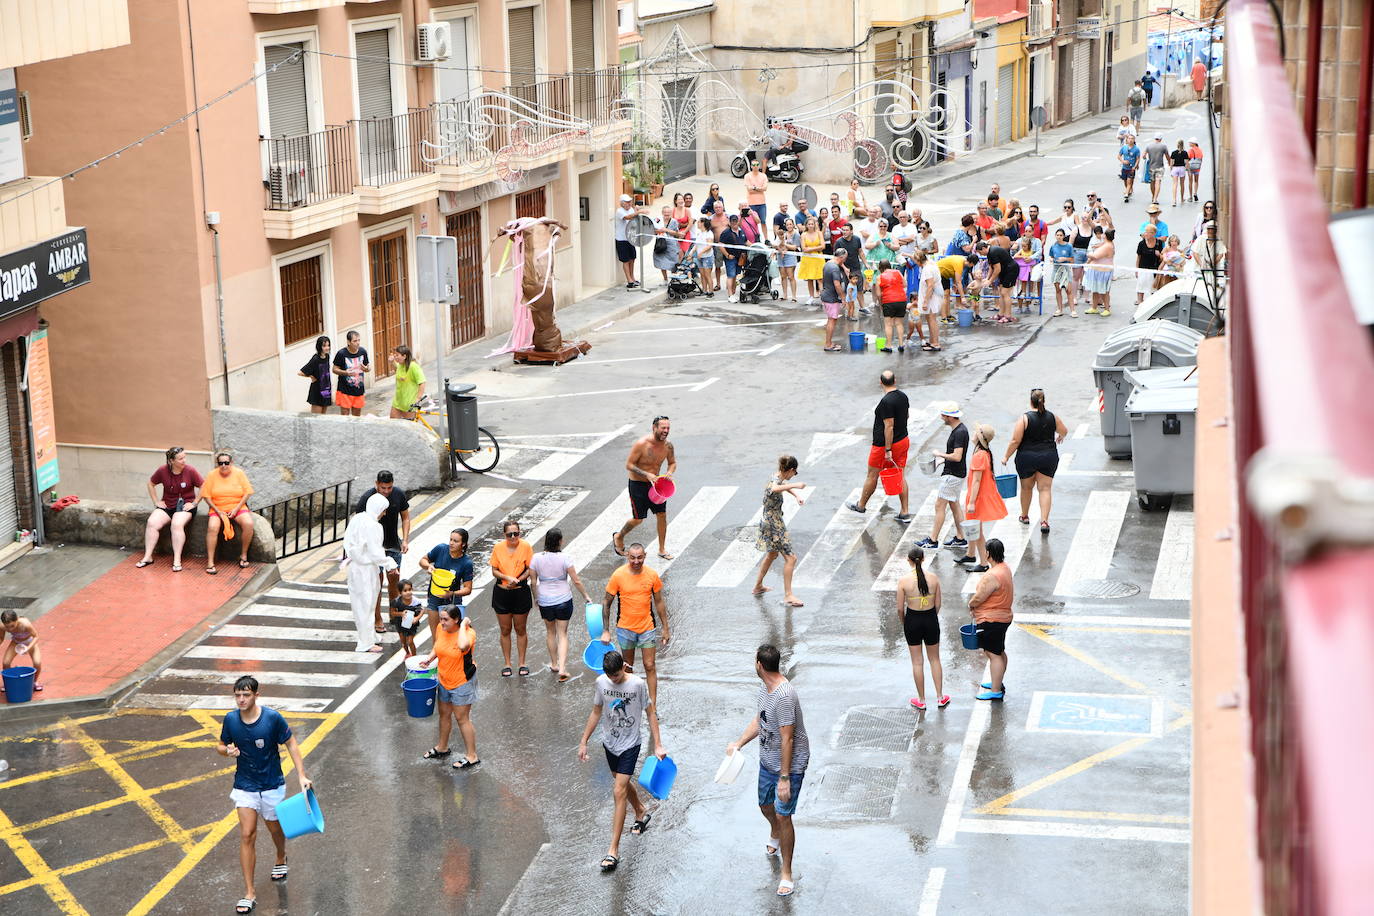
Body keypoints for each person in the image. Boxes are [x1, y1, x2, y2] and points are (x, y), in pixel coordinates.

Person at [217, 675, 312, 916]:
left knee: (274, 830)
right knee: (247, 834)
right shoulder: (230, 720)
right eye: (237, 695)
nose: (241, 699)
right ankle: (249, 892)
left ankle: (281, 856)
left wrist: (301, 775)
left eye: (246, 695)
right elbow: (220, 745)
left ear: (256, 695)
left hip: (271, 785)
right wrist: (226, 751)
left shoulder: (272, 719)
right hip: (245, 786)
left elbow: (291, 743)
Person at [725, 644, 809, 898]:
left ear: (759, 665)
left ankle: (786, 873)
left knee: (784, 815)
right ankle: (775, 831)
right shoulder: (765, 688)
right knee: (765, 806)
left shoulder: (785, 696)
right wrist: (739, 742)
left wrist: (785, 778)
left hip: (789, 765)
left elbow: (788, 739)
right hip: (768, 759)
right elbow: (759, 719)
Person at [577, 649, 666, 873]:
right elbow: (596, 712)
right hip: (610, 743)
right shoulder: (601, 682)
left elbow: (650, 713)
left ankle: (613, 850)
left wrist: (657, 744)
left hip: (630, 743)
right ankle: (640, 810)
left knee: (618, 790)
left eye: (616, 675)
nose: (613, 680)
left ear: (624, 667)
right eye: (610, 677)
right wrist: (584, 740)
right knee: (621, 782)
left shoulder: (636, 685)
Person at [599, 543, 669, 706]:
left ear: (644, 556)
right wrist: (605, 631)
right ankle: (628, 704)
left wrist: (666, 628)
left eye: (639, 557)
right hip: (625, 629)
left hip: (647, 628)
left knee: (649, 665)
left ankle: (652, 705)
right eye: (632, 558)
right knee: (627, 668)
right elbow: (606, 602)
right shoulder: (618, 575)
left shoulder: (652, 575)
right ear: (627, 556)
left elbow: (659, 602)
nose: (636, 561)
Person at [846, 370, 912, 522]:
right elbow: (906, 416)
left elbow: (888, 426)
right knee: (900, 474)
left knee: (872, 475)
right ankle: (905, 511)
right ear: (895, 380)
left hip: (884, 445)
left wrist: (888, 449)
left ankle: (861, 505)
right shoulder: (903, 396)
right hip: (903, 440)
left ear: (880, 382)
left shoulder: (886, 402)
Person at [420, 607, 480, 769]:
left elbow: (462, 646)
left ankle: (472, 755)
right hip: (444, 680)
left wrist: (463, 625)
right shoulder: (441, 629)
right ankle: (442, 747)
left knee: (462, 719)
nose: (441, 622)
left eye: (446, 619)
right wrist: (430, 658)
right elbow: (438, 645)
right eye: (441, 618)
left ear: (456, 619)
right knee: (444, 715)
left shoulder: (468, 633)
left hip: (462, 682)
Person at [531, 527, 592, 682]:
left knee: (550, 632)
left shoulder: (536, 558)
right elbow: (576, 580)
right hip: (563, 599)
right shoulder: (565, 558)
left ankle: (554, 663)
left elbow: (533, 582)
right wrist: (586, 596)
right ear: (559, 541)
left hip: (545, 600)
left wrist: (537, 598)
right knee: (563, 634)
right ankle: (563, 667)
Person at [1002, 388, 1067, 532]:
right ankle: (1044, 522)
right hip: (1048, 457)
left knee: (1026, 488)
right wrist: (1061, 436)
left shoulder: (1024, 419)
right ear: (1044, 401)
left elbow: (1015, 441)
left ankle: (1024, 516)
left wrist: (1006, 456)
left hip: (1026, 458)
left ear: (1031, 402)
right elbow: (1064, 431)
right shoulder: (1052, 417)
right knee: (1045, 489)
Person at [614, 416, 677, 559]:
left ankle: (662, 549)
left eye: (668, 428)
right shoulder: (642, 444)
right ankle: (619, 536)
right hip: (638, 486)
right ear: (654, 428)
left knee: (662, 515)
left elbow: (672, 463)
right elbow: (629, 465)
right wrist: (646, 474)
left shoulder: (668, 446)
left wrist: (669, 472)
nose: (666, 431)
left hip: (657, 485)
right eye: (663, 428)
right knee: (638, 519)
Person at [356, 470, 410, 635]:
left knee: (394, 581)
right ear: (376, 484)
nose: (386, 491)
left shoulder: (398, 494)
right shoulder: (367, 499)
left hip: (393, 545)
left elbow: (405, 517)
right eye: (383, 488)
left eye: (389, 488)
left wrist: (405, 540)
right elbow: (360, 526)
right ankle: (377, 617)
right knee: (376, 585)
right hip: (375, 549)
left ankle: (393, 613)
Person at [342, 493, 396, 653]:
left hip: (355, 567)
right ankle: (365, 643)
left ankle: (369, 636)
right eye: (383, 510)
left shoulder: (358, 519)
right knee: (366, 604)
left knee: (363, 604)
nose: (384, 513)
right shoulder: (374, 526)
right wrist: (389, 563)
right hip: (366, 569)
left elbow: (347, 542)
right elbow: (375, 552)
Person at [137, 446, 203, 571]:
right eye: (180, 458)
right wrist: (156, 501)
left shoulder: (190, 471)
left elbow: (204, 486)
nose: (184, 460)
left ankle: (177, 559)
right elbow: (151, 483)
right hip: (168, 504)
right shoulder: (163, 470)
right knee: (152, 522)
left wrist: (194, 503)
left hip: (185, 505)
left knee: (176, 524)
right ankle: (147, 556)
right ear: (171, 461)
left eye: (184, 457)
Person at [753, 455, 807, 606]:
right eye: (794, 473)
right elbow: (775, 488)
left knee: (771, 554)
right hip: (773, 524)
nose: (793, 476)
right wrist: (796, 485)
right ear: (790, 470)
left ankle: (758, 586)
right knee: (791, 558)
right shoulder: (775, 482)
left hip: (769, 521)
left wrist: (796, 495)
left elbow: (781, 485)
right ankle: (788, 595)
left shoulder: (777, 475)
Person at [896, 549, 945, 710]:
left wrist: (905, 622)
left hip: (912, 620)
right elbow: (938, 604)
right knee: (935, 659)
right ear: (923, 559)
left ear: (908, 560)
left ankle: (922, 700)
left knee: (917, 662)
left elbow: (899, 609)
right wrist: (931, 616)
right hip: (930, 619)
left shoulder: (903, 581)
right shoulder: (933, 578)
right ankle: (940, 697)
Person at [917, 403, 970, 552]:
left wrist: (940, 454)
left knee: (939, 506)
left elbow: (957, 456)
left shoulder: (959, 432)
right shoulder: (960, 429)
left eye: (944, 415)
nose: (942, 418)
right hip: (956, 473)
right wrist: (943, 461)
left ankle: (933, 540)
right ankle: (960, 538)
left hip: (952, 475)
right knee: (954, 505)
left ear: (951, 417)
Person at [955, 425, 1006, 573]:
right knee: (973, 528)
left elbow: (977, 480)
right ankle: (971, 554)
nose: (973, 433)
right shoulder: (984, 452)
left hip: (977, 498)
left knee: (976, 531)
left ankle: (984, 562)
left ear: (979, 437)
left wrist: (971, 502)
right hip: (978, 495)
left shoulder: (979, 455)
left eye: (976, 433)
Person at [968, 539, 1014, 700]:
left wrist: (971, 604)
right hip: (1003, 616)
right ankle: (997, 681)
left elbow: (980, 597)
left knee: (993, 653)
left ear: (988, 553)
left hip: (992, 620)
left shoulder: (992, 575)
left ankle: (996, 690)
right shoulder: (1004, 568)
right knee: (999, 651)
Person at [490, 518, 534, 677]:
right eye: (510, 534)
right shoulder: (498, 548)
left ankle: (522, 662)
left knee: (520, 628)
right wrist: (507, 578)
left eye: (516, 533)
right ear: (505, 535)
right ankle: (507, 663)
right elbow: (494, 570)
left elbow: (530, 569)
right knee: (505, 629)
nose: (513, 537)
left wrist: (518, 579)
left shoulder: (526, 546)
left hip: (520, 592)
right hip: (502, 592)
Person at [200, 452, 254, 575]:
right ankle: (210, 562)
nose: (224, 465)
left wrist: (236, 509)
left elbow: (247, 493)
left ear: (231, 463)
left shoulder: (239, 473)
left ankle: (243, 555)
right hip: (217, 508)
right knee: (212, 527)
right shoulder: (212, 475)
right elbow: (206, 496)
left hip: (237, 506)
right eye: (220, 463)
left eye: (226, 463)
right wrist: (218, 511)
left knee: (248, 523)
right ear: (217, 464)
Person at [419, 528, 474, 636]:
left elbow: (468, 589)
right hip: (435, 597)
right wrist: (428, 566)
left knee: (453, 636)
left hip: (453, 601)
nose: (451, 543)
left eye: (456, 541)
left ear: (463, 544)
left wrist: (452, 593)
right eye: (451, 539)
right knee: (436, 636)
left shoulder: (466, 563)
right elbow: (423, 560)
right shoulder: (440, 549)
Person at [1, 609, 42, 692]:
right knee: (6, 663)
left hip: (30, 642)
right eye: (7, 627)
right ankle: (8, 683)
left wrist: (28, 648)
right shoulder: (2, 626)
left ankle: (34, 682)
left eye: (12, 626)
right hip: (16, 642)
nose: (10, 629)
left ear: (17, 619)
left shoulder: (25, 624)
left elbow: (36, 636)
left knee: (37, 663)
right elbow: (1, 638)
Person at [331, 330, 370, 416]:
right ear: (348, 342)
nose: (358, 343)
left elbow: (368, 367)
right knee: (345, 417)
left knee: (357, 417)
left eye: (359, 340)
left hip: (359, 390)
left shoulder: (363, 352)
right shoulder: (341, 354)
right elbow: (334, 369)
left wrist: (366, 368)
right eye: (355, 341)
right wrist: (346, 373)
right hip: (344, 390)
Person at [979, 241, 1019, 323]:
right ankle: (1001, 314)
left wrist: (990, 281)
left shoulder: (993, 252)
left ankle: (1008, 316)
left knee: (1005, 293)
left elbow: (997, 269)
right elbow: (991, 267)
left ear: (983, 248)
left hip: (1011, 270)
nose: (980, 254)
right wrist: (987, 278)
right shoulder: (989, 253)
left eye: (980, 252)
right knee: (1001, 292)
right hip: (1004, 271)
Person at [912, 249, 943, 351]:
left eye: (916, 261)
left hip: (932, 297)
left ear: (919, 261)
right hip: (934, 295)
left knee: (932, 319)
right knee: (930, 319)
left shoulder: (927, 269)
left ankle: (936, 343)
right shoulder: (931, 264)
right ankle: (932, 341)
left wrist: (925, 301)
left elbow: (930, 286)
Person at [874, 259, 906, 353]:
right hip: (901, 299)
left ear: (880, 268)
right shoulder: (898, 272)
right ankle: (901, 344)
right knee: (899, 323)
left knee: (888, 324)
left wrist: (881, 304)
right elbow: (905, 284)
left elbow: (879, 294)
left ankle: (888, 346)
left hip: (888, 301)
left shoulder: (879, 277)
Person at [388, 344, 426, 420]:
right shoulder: (400, 365)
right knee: (393, 425)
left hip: (409, 403)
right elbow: (397, 368)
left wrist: (418, 398)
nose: (395, 357)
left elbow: (422, 382)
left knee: (410, 428)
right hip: (398, 402)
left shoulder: (413, 367)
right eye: (395, 355)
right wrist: (392, 362)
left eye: (397, 355)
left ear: (404, 356)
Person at [820, 245, 846, 351]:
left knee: (831, 320)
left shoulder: (828, 264)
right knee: (832, 320)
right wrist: (843, 297)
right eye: (845, 258)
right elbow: (837, 285)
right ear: (841, 257)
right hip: (831, 297)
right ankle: (828, 344)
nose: (845, 260)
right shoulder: (835, 268)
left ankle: (829, 342)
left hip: (827, 294)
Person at [297, 335, 333, 414]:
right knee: (316, 418)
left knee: (323, 417)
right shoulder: (315, 359)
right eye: (324, 346)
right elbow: (300, 372)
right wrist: (311, 376)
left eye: (328, 345)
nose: (327, 348)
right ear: (319, 346)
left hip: (326, 389)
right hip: (317, 391)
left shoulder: (327, 356)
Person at [389, 578, 423, 658]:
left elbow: (422, 610)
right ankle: (407, 653)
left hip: (412, 624)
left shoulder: (415, 601)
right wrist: (401, 613)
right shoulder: (396, 602)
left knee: (410, 641)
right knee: (403, 642)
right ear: (400, 592)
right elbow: (392, 613)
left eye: (409, 589)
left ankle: (414, 657)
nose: (408, 592)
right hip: (400, 623)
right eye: (405, 591)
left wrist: (417, 618)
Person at [615, 194, 643, 289]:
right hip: (621, 239)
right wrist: (638, 211)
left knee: (632, 258)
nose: (629, 203)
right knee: (626, 260)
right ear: (622, 203)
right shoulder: (619, 211)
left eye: (630, 202)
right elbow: (628, 217)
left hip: (630, 238)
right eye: (627, 202)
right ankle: (629, 280)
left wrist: (636, 211)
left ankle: (633, 278)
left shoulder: (631, 209)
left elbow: (634, 219)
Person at [1048, 229, 1077, 318]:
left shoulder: (1069, 246)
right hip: (1056, 269)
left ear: (1063, 236)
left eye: (1061, 235)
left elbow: (1072, 260)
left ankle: (1073, 310)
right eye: (1057, 235)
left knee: (1069, 290)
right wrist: (1051, 259)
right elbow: (1051, 256)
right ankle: (1059, 309)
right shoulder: (1053, 246)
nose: (1059, 237)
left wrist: (1065, 259)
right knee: (1058, 290)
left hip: (1066, 269)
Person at [719, 213, 747, 302]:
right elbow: (720, 245)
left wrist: (755, 246)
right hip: (730, 258)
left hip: (740, 258)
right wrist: (727, 255)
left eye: (735, 221)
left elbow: (746, 242)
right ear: (730, 222)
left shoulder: (741, 231)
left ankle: (734, 293)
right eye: (732, 221)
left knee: (735, 276)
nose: (734, 223)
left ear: (738, 221)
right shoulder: (726, 233)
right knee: (730, 276)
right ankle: (730, 295)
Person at [653, 205, 683, 284]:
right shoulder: (657, 220)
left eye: (668, 212)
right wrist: (659, 231)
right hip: (661, 243)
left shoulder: (674, 221)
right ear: (662, 213)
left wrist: (666, 230)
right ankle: (665, 279)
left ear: (671, 213)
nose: (667, 214)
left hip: (672, 245)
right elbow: (652, 230)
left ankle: (674, 279)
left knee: (673, 262)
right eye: (665, 212)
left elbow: (677, 233)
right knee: (661, 261)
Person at [799, 216, 826, 303]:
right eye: (809, 224)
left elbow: (823, 246)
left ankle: (823, 297)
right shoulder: (803, 235)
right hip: (808, 259)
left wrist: (810, 249)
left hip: (818, 258)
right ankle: (811, 297)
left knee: (820, 278)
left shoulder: (819, 233)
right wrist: (815, 248)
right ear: (806, 225)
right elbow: (803, 248)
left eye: (812, 224)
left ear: (815, 225)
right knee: (809, 279)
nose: (811, 225)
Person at [1136, 224, 1163, 304]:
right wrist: (1137, 269)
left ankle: (1153, 304)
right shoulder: (1141, 244)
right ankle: (1140, 301)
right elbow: (1138, 257)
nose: (1147, 234)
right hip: (1143, 268)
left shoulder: (1159, 243)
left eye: (1149, 232)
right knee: (1141, 287)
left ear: (1154, 233)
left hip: (1154, 269)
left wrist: (1159, 255)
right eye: (1146, 232)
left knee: (1153, 288)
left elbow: (1163, 257)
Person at [777, 217, 800, 302]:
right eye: (787, 225)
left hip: (790, 256)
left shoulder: (796, 234)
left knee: (791, 276)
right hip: (781, 256)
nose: (789, 226)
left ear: (793, 225)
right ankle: (785, 295)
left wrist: (785, 245)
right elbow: (778, 244)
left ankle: (794, 296)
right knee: (783, 276)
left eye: (790, 224)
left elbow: (795, 247)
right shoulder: (784, 234)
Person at [691, 217, 716, 295]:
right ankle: (704, 290)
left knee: (707, 274)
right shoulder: (699, 233)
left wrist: (701, 252)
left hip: (707, 257)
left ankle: (710, 291)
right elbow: (696, 245)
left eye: (698, 222)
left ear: (703, 223)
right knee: (702, 274)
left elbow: (709, 246)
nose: (697, 224)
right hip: (700, 257)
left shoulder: (709, 233)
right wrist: (691, 253)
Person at [1144, 133, 1170, 205]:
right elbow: (1167, 156)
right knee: (1158, 182)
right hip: (1160, 167)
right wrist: (1170, 163)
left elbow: (1143, 155)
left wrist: (1146, 158)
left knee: (1152, 182)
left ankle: (1153, 196)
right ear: (1161, 139)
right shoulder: (1163, 146)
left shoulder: (1149, 146)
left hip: (1151, 167)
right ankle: (1155, 198)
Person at [1118, 133, 1142, 203]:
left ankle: (1126, 194)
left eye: (1132, 139)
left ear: (1134, 140)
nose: (1130, 140)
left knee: (1129, 182)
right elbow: (1118, 156)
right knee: (1125, 181)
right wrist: (1123, 161)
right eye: (1129, 138)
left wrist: (1135, 166)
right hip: (1124, 168)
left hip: (1131, 168)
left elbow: (1138, 158)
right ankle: (1129, 190)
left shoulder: (1136, 149)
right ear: (1127, 140)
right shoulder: (1124, 148)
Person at [745, 160, 769, 226]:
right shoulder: (747, 176)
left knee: (763, 222)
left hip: (762, 203)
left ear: (759, 166)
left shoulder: (763, 176)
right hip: (751, 203)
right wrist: (760, 189)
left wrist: (754, 188)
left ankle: (765, 236)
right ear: (751, 166)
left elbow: (765, 188)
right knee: (752, 222)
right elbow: (749, 190)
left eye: (757, 165)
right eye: (753, 165)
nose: (755, 166)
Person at [1169, 139, 1189, 207]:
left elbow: (1171, 163)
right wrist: (1187, 170)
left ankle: (1174, 200)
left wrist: (1171, 170)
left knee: (1175, 184)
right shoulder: (1185, 153)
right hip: (1182, 168)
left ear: (1177, 144)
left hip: (1175, 168)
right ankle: (1182, 198)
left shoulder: (1173, 152)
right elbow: (1186, 163)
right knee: (1182, 184)